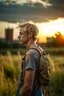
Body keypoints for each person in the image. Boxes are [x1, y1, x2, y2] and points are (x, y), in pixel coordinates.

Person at [16, 22, 44, 96]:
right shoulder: (39, 49)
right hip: (39, 92)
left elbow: (28, 87)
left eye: (21, 33)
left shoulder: (30, 54)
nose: (18, 36)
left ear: (30, 34)